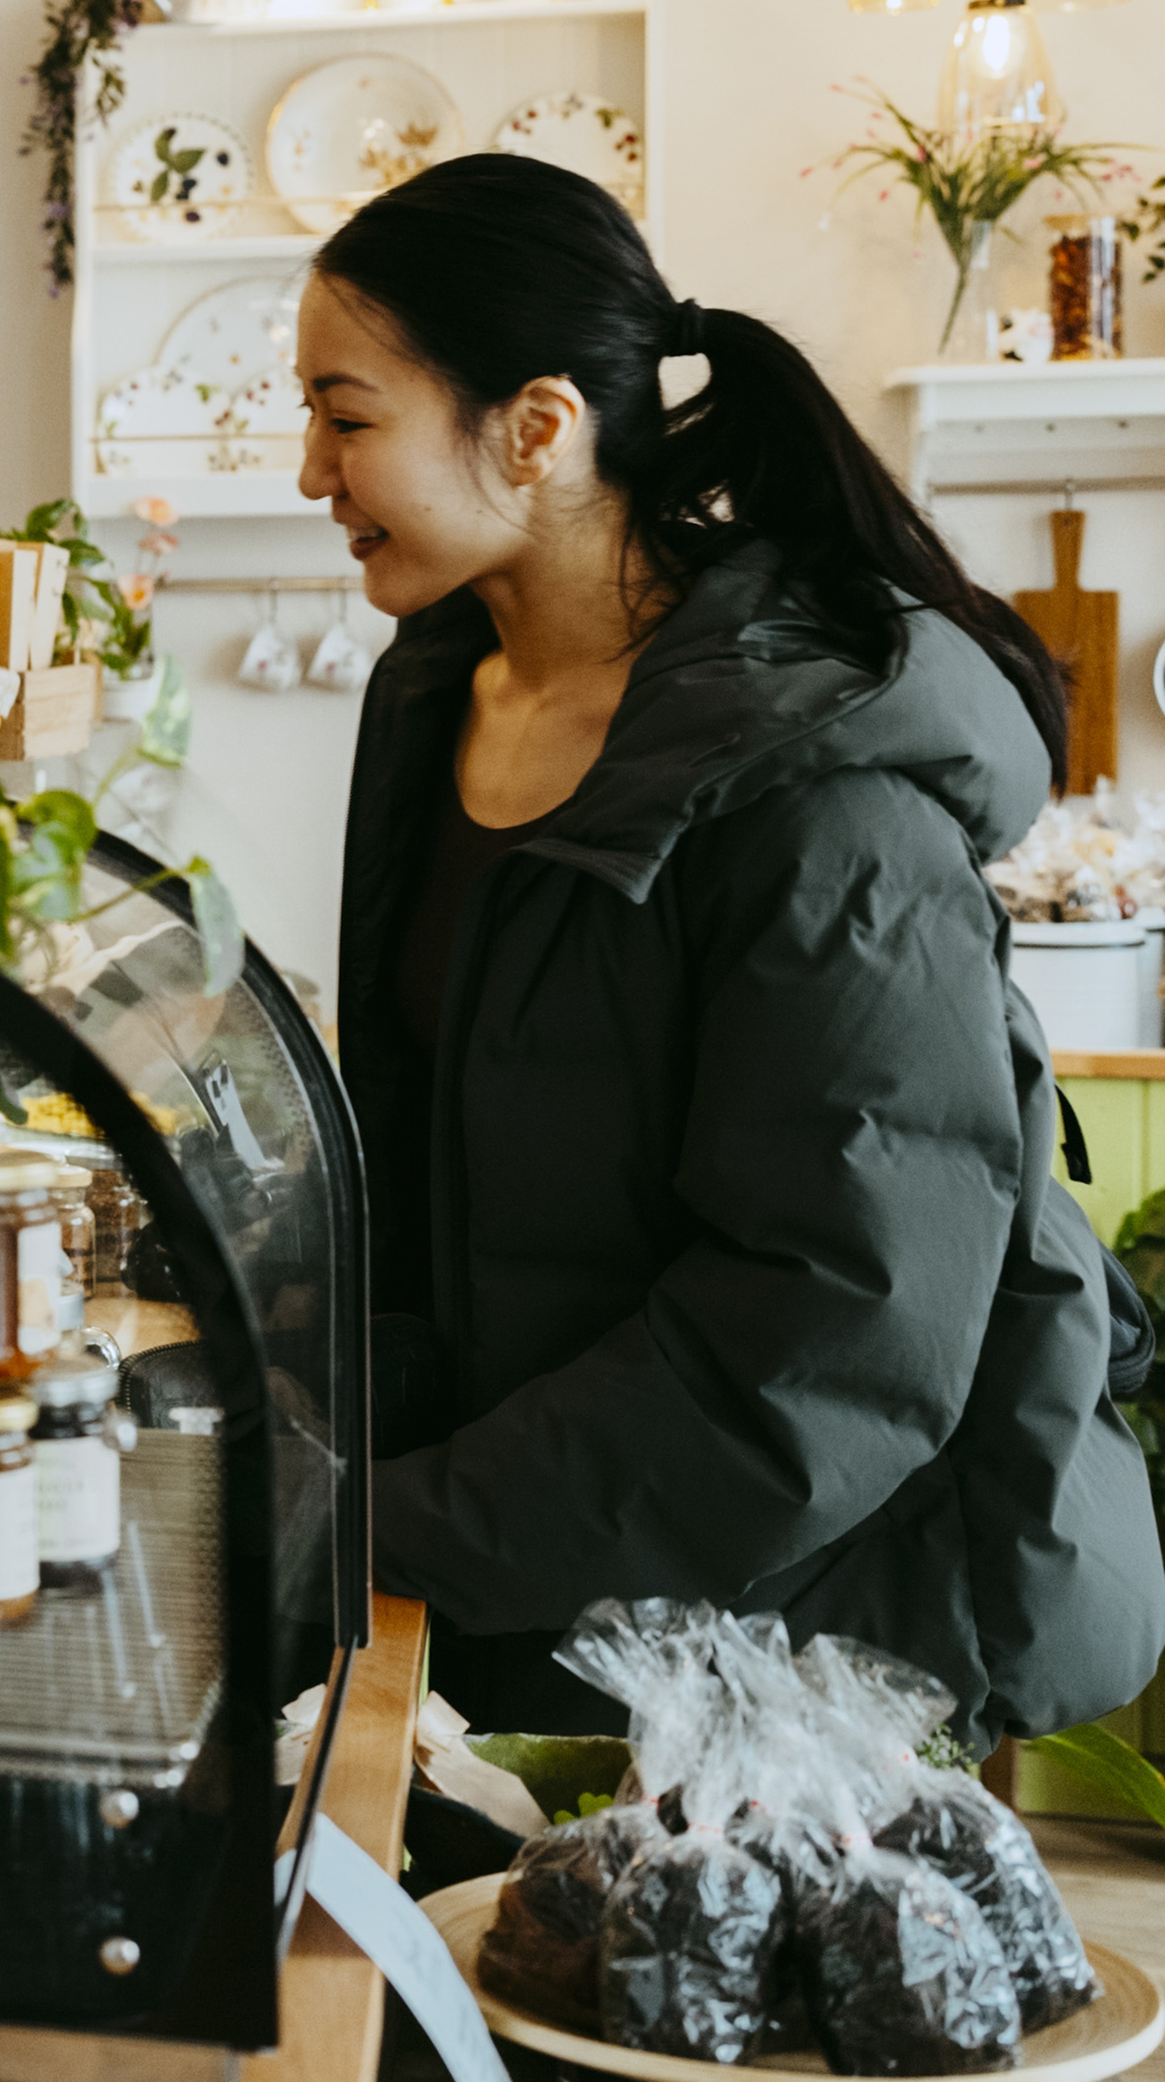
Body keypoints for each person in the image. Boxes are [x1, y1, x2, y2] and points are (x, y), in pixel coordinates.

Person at [297, 151, 1164, 1741]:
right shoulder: (434, 701)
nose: (311, 472)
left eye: (348, 420)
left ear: (539, 428)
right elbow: (445, 1171)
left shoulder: (821, 799)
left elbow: (828, 1343)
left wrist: (371, 1529)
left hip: (804, 1653)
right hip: (528, 1590)